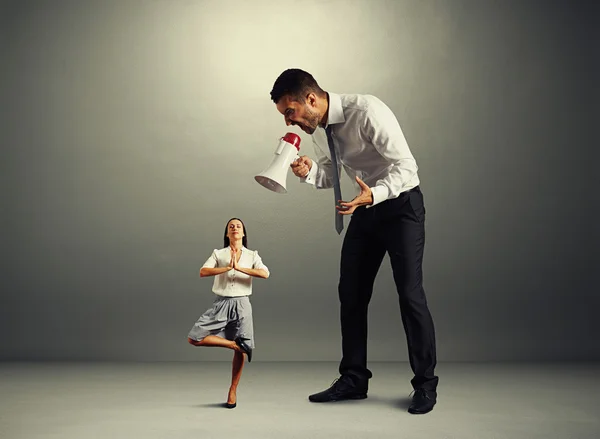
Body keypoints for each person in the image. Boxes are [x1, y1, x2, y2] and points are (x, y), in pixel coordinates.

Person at [269, 69, 439, 414]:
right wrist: (309, 173)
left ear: (311, 99)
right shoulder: (318, 129)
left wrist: (373, 194)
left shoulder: (366, 111)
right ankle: (353, 379)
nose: (290, 121)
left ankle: (425, 386)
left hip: (401, 205)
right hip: (365, 208)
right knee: (351, 293)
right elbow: (331, 173)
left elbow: (407, 166)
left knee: (409, 294)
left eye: (291, 112)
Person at [187, 218, 270, 409]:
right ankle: (234, 344)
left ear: (243, 233)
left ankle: (233, 390)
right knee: (195, 338)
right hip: (221, 303)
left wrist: (239, 268)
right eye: (231, 226)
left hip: (242, 304)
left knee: (242, 351)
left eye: (238, 226)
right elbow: (203, 271)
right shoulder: (219, 253)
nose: (234, 228)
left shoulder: (252, 255)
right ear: (227, 233)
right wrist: (227, 267)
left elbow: (265, 273)